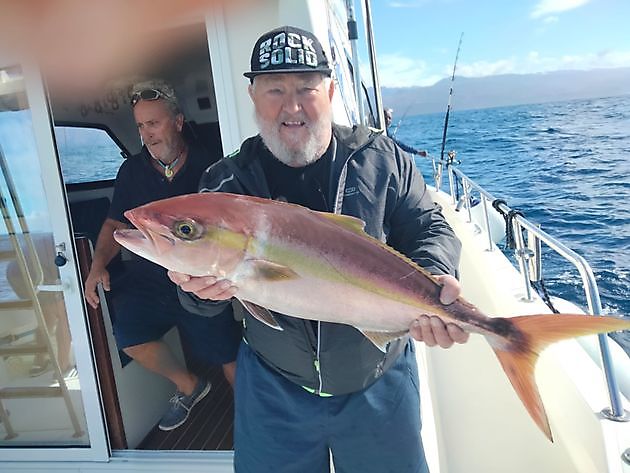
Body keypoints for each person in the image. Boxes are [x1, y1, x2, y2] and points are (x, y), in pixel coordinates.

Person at [169, 26, 468, 472]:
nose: (291, 107)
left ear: (329, 90)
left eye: (306, 88)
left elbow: (429, 226)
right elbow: (199, 301)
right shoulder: (226, 184)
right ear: (252, 95)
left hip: (377, 382)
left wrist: (435, 275)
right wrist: (196, 293)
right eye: (274, 90)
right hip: (274, 388)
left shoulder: (379, 158)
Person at [83, 79, 241, 431]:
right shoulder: (132, 171)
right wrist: (97, 266)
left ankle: (254, 422)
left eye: (153, 123)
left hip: (199, 279)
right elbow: (113, 223)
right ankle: (190, 385)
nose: (146, 134)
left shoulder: (211, 164)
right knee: (130, 336)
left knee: (227, 353)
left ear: (178, 122)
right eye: (140, 126)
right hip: (152, 277)